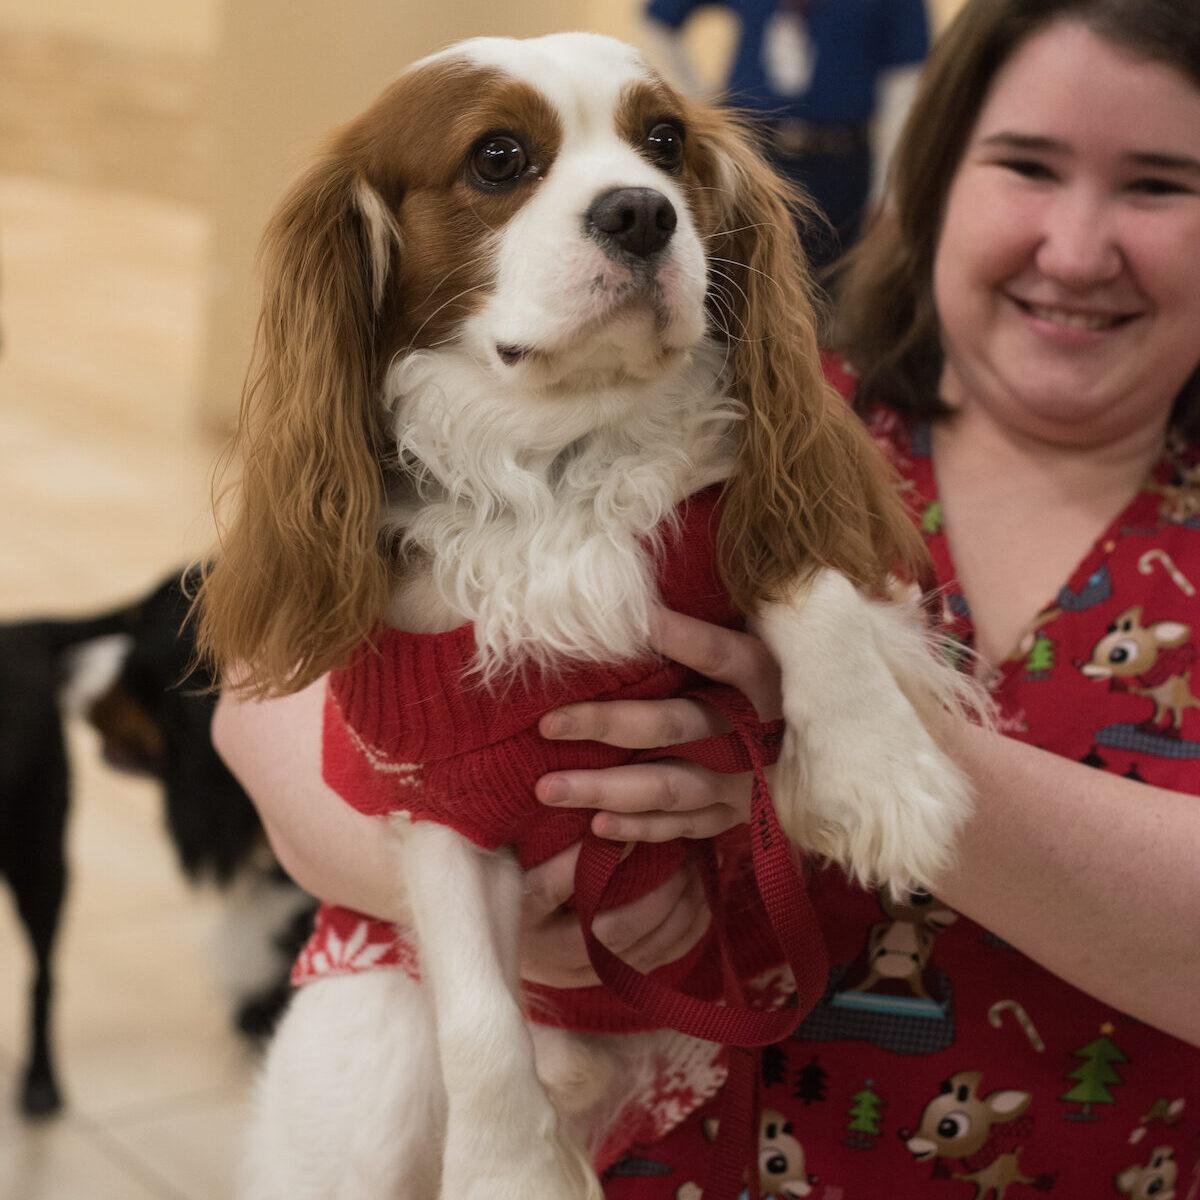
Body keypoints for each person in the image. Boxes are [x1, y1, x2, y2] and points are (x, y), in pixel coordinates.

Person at [212, 0, 1200, 1194]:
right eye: (1027, 165)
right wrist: (519, 895)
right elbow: (267, 705)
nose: (1077, 245)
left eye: (1161, 185)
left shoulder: (735, 435)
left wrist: (831, 748)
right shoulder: (720, 408)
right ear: (932, 177)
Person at [642, 0, 930, 269]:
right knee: (748, 274)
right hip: (754, 156)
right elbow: (659, 19)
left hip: (843, 167)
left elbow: (904, 92)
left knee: (835, 287)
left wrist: (889, 198)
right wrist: (699, 108)